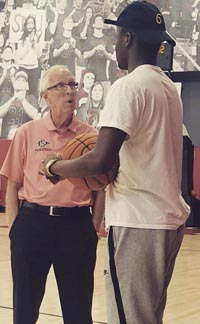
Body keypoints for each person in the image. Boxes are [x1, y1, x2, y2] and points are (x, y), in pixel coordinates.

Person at [41, 2, 190, 324]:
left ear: (127, 39)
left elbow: (99, 159)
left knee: (129, 318)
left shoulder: (129, 87)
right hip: (165, 219)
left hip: (138, 221)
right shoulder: (167, 87)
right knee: (147, 316)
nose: (115, 43)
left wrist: (55, 167)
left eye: (117, 35)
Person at [0, 65, 105, 324]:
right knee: (24, 310)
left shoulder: (90, 136)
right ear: (45, 95)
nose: (69, 90)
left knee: (78, 311)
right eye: (60, 86)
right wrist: (15, 228)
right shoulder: (27, 132)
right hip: (32, 224)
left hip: (76, 226)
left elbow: (100, 188)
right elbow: (14, 183)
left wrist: (93, 227)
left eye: (72, 85)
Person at [0, 70, 38, 138]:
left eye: (23, 81)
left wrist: (23, 100)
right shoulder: (7, 97)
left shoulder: (31, 98)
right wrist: (14, 98)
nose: (20, 82)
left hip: (25, 137)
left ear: (27, 85)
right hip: (7, 138)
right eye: (18, 80)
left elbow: (35, 116)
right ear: (14, 83)